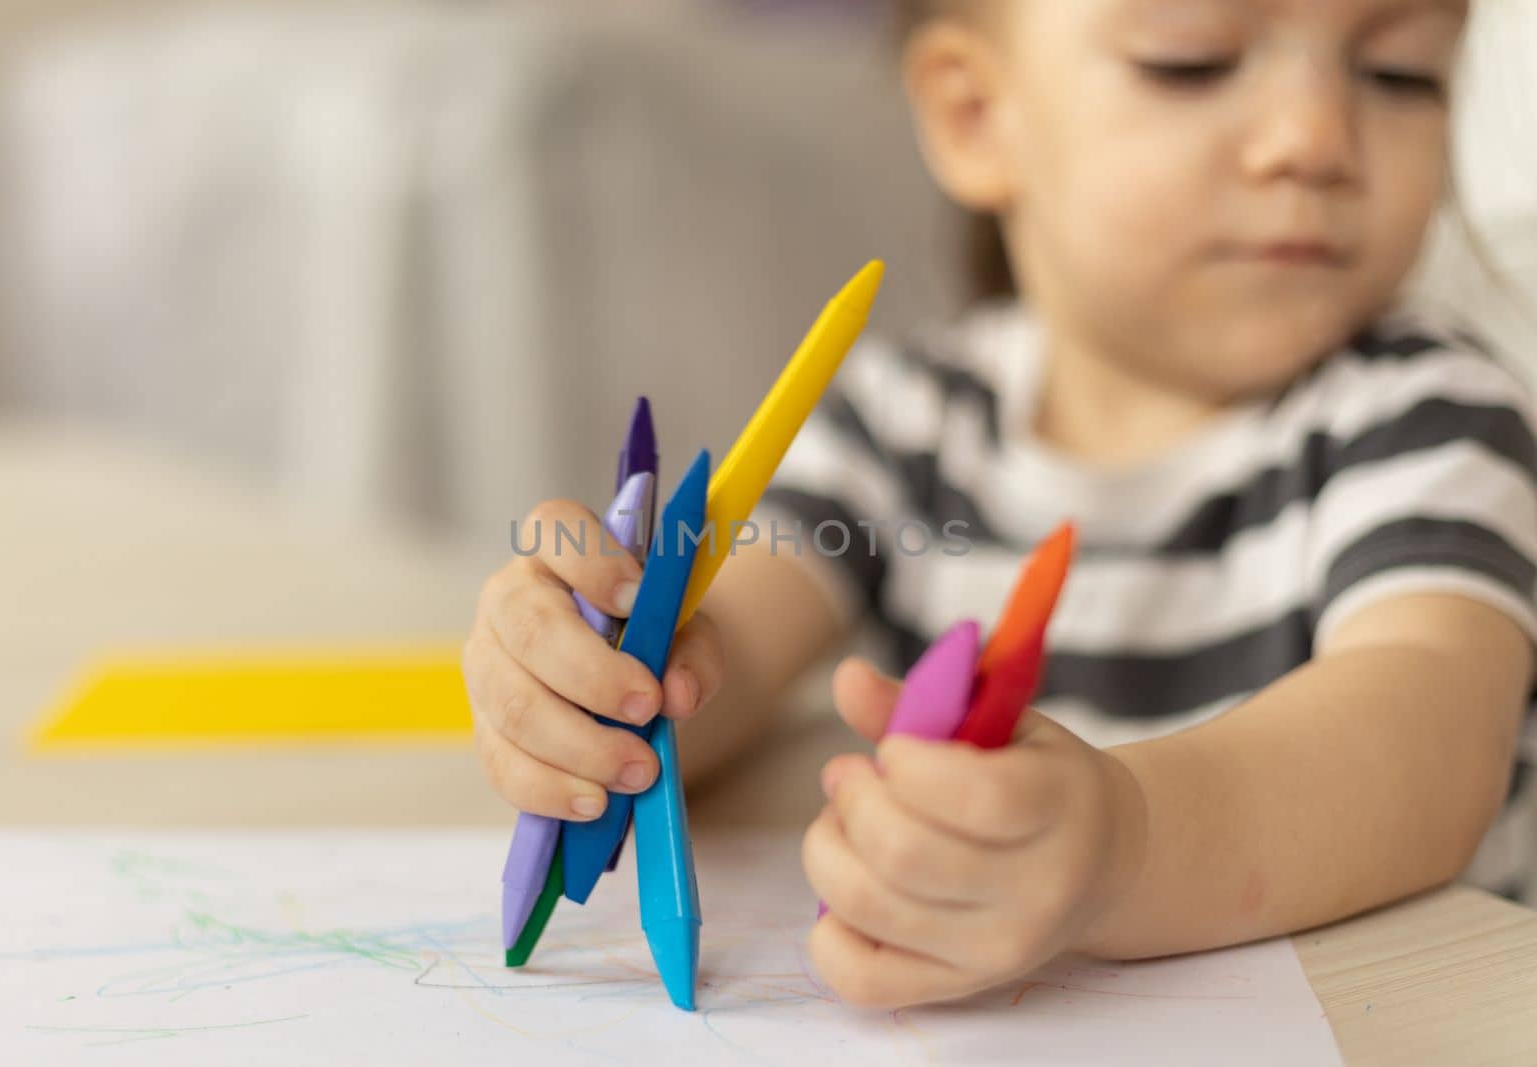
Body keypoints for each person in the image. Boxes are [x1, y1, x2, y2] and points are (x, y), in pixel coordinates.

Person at [462, 0, 1537, 1010]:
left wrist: (1127, 845)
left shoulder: (1436, 418)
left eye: (1400, 73)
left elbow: (1429, 733)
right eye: (1192, 59)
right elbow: (718, 652)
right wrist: (582, 681)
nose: (1315, 137)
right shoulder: (907, 420)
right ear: (976, 115)